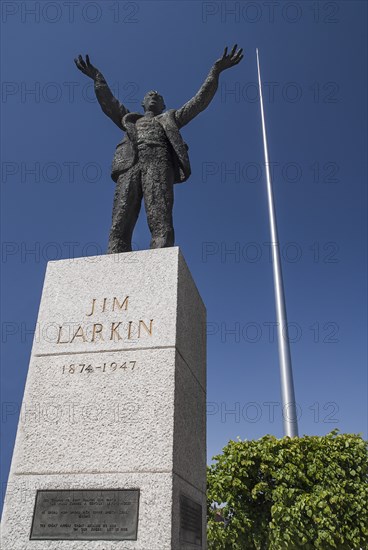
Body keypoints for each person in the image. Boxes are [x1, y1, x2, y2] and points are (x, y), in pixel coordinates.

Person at [74, 45, 243, 253]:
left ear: (163, 106)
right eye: (149, 95)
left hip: (159, 162)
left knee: (159, 213)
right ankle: (115, 255)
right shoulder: (130, 120)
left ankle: (160, 255)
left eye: (158, 97)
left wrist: (215, 71)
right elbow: (109, 103)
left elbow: (199, 101)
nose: (154, 96)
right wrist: (97, 78)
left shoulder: (170, 118)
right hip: (130, 164)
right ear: (143, 103)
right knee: (121, 215)